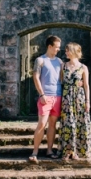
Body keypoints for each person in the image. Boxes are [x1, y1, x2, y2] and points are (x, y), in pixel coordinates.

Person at [29, 35, 63, 163]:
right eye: (57, 47)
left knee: (52, 125)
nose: (58, 49)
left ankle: (49, 150)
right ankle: (35, 152)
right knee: (42, 123)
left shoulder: (59, 61)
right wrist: (42, 94)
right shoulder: (40, 60)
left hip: (58, 96)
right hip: (45, 97)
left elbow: (63, 78)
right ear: (50, 46)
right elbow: (36, 77)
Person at [58, 42, 91, 160]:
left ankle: (78, 151)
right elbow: (60, 82)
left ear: (74, 52)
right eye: (66, 50)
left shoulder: (83, 67)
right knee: (68, 124)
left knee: (79, 123)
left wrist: (88, 102)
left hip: (79, 98)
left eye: (68, 50)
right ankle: (68, 151)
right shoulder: (63, 66)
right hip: (67, 98)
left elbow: (87, 85)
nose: (66, 52)